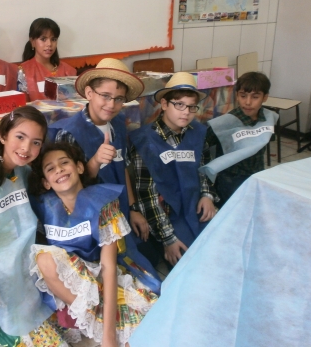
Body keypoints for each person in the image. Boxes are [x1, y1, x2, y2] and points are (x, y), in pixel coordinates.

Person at [29, 143, 160, 347]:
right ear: (46, 182)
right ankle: (97, 322)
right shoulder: (45, 205)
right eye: (51, 168)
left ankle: (107, 328)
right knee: (43, 258)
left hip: (109, 276)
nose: (59, 170)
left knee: (140, 335)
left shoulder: (103, 203)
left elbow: (108, 267)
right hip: (80, 288)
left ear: (80, 167)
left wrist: (109, 336)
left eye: (64, 163)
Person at [0, 107, 67, 346]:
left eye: (36, 142)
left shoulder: (23, 171)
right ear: (3, 135)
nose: (26, 148)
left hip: (28, 274)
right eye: (20, 137)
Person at [48, 58, 161, 275]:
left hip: (121, 210)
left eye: (119, 99)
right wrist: (95, 161)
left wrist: (133, 209)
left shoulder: (118, 123)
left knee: (152, 254)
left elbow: (122, 167)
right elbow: (71, 191)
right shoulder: (70, 133)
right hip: (93, 220)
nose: (111, 105)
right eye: (105, 96)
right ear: (89, 93)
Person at [129, 72, 218, 267]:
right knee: (190, 263)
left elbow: (204, 169)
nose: (186, 112)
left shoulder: (198, 133)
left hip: (195, 205)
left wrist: (207, 195)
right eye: (179, 105)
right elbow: (147, 196)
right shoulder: (145, 141)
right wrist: (168, 239)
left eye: (191, 107)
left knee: (221, 246)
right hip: (166, 215)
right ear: (164, 104)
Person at [202, 71, 276, 207]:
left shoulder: (268, 118)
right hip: (230, 179)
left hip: (256, 174)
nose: (248, 102)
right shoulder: (225, 124)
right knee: (232, 209)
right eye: (243, 96)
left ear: (265, 97)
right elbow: (203, 147)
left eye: (255, 97)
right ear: (237, 95)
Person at [18, 18, 77, 101]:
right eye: (43, 39)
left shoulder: (68, 70)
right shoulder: (24, 71)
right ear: (33, 42)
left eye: (53, 39)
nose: (49, 44)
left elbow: (74, 101)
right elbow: (24, 105)